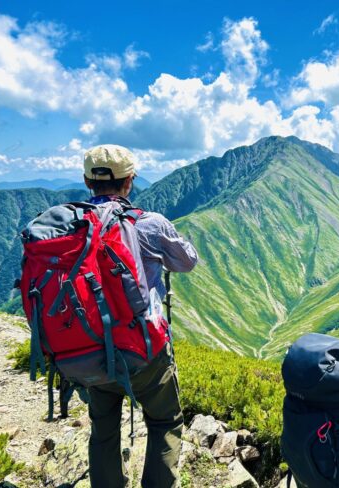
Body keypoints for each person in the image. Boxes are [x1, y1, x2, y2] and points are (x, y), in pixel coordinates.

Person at [83, 144, 198, 488]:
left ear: (87, 181)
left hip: (91, 351)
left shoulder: (72, 226)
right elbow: (187, 261)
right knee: (165, 422)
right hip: (144, 350)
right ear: (130, 181)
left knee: (103, 428)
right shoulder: (149, 224)